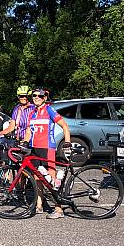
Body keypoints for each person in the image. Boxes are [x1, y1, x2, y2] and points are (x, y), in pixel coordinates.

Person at [23, 86, 72, 219]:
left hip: (47, 147)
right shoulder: (31, 113)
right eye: (34, 96)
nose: (36, 98)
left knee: (52, 178)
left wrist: (67, 142)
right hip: (34, 147)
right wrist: (24, 142)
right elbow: (29, 131)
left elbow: (64, 125)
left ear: (45, 98)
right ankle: (39, 205)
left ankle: (58, 208)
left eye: (40, 96)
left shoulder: (49, 109)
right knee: (37, 176)